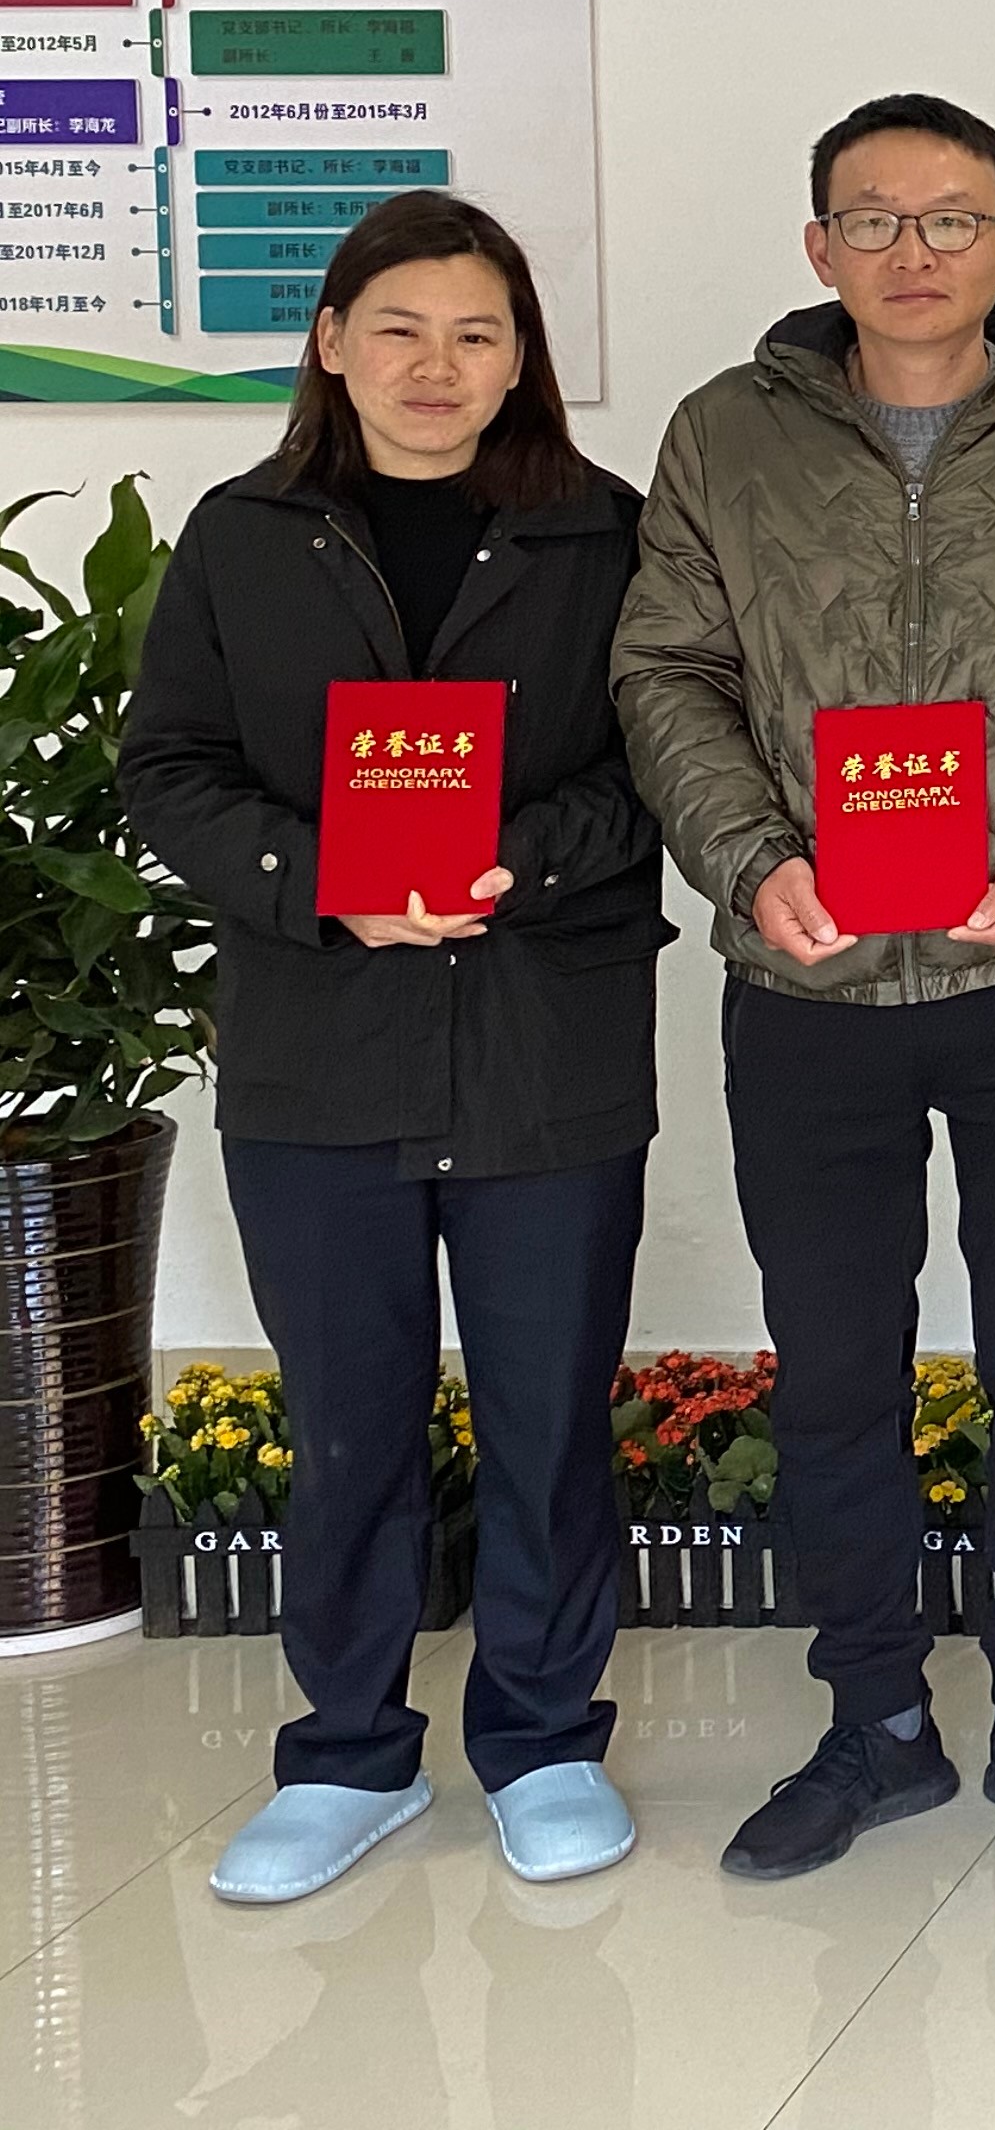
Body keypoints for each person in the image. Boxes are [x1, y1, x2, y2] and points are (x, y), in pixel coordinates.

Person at [612, 94, 995, 1881]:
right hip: (811, 986)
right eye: (874, 219)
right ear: (819, 247)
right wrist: (749, 860)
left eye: (951, 220)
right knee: (839, 1372)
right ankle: (872, 1721)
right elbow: (667, 669)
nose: (913, 252)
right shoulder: (726, 435)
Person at [119, 193, 670, 1904]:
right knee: (348, 1421)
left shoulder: (605, 535)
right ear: (332, 344)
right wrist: (321, 887)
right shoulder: (243, 536)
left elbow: (664, 759)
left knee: (546, 1415)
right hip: (321, 1054)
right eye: (402, 330)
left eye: (478, 334)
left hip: (542, 1045)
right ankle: (348, 1753)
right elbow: (170, 771)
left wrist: (521, 861)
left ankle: (542, 1738)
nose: (439, 367)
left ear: (522, 360)